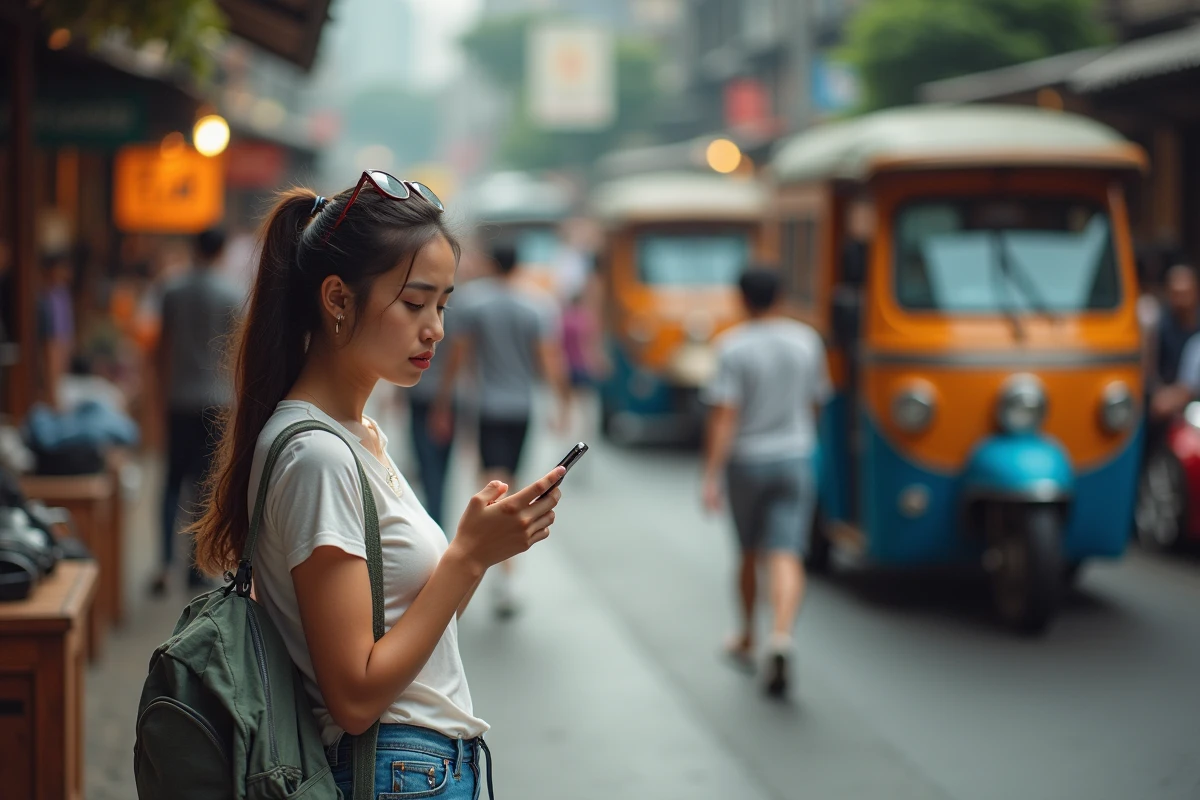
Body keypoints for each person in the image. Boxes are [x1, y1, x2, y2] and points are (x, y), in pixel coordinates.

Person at [188, 176, 565, 800]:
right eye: (414, 304)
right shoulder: (317, 458)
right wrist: (468, 557)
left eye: (442, 306)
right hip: (393, 773)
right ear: (338, 298)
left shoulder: (356, 437)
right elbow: (356, 698)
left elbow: (411, 632)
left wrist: (480, 551)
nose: (435, 330)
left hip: (414, 770)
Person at [700, 266, 831, 700]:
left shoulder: (732, 346)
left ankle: (746, 636)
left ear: (742, 298)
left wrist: (711, 475)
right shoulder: (807, 341)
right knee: (787, 551)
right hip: (795, 457)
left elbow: (725, 416)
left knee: (748, 552)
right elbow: (816, 401)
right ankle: (782, 635)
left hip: (746, 462)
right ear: (781, 295)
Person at [432, 243, 570, 619]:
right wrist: (562, 402)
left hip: (487, 406)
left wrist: (444, 401)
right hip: (521, 407)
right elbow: (549, 357)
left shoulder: (474, 302)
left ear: (493, 263)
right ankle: (506, 573)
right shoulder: (536, 305)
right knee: (513, 481)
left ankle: (498, 570)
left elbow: (458, 355)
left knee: (493, 484)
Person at [153, 228, 243, 595]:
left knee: (172, 482)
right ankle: (195, 565)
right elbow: (237, 353)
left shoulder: (172, 291)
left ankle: (164, 564)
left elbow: (162, 347)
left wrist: (159, 395)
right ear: (221, 251)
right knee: (205, 486)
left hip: (179, 397)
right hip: (217, 400)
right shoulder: (232, 294)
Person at [1148, 264, 1200, 426]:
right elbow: (1151, 371)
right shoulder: (1160, 326)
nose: (1181, 301)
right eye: (1176, 294)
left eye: (1185, 294)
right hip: (1167, 399)